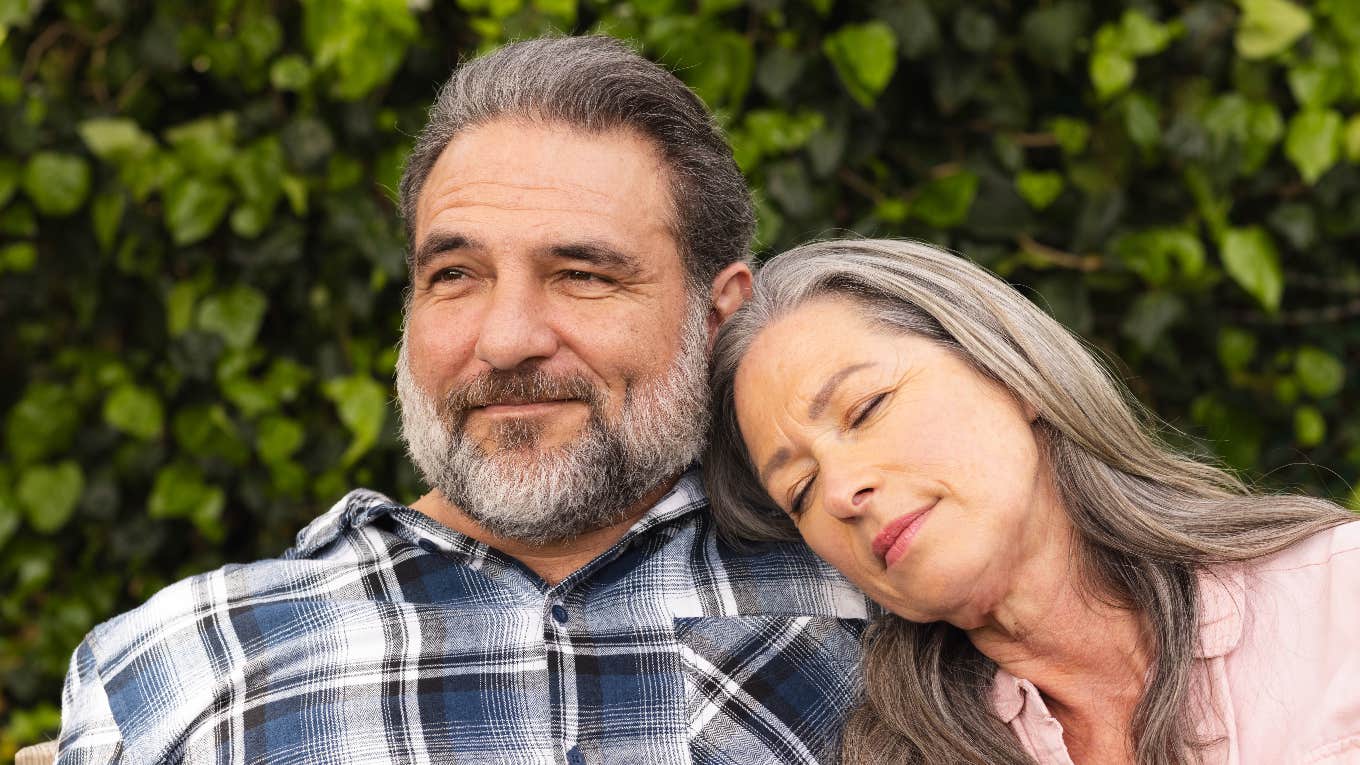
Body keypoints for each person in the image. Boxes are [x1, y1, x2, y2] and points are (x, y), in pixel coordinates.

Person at [55, 37, 870, 765]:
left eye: (581, 275)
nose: (507, 339)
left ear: (717, 316)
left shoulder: (891, 596)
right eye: (454, 275)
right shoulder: (173, 664)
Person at [704, 238, 1360, 765]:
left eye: (866, 407)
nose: (843, 491)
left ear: (1009, 371)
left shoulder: (1336, 599)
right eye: (802, 491)